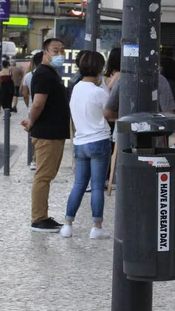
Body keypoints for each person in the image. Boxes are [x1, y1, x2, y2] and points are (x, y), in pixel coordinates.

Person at [61, 51, 112, 240]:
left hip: (80, 142)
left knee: (79, 185)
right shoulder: (99, 92)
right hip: (99, 141)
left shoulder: (76, 88)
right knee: (97, 186)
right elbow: (108, 113)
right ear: (100, 69)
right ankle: (96, 227)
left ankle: (67, 225)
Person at [21, 38, 70, 233]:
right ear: (45, 52)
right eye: (55, 50)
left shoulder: (50, 73)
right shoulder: (43, 74)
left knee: (47, 175)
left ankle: (43, 215)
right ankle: (38, 218)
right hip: (47, 133)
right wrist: (31, 121)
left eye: (62, 50)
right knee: (43, 176)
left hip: (54, 132)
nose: (60, 54)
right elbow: (38, 103)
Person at [22, 51, 43, 171]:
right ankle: (38, 158)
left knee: (33, 135)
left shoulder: (28, 76)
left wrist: (28, 105)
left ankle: (34, 159)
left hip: (31, 107)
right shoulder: (47, 74)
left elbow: (25, 94)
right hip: (43, 108)